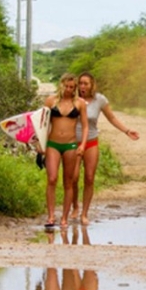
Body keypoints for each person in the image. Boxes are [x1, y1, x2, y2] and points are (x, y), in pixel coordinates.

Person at [71, 72, 139, 225]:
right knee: (73, 177)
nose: (82, 86)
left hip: (91, 141)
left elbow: (112, 117)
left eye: (86, 83)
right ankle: (74, 205)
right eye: (80, 83)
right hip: (73, 142)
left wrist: (127, 131)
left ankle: (84, 213)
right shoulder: (72, 99)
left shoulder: (99, 100)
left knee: (89, 177)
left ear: (92, 85)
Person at [43, 73, 88, 227]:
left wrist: (82, 145)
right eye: (66, 86)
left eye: (72, 87)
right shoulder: (51, 101)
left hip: (70, 144)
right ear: (61, 85)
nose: (69, 89)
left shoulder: (80, 103)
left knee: (68, 182)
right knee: (52, 178)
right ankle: (50, 216)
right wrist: (39, 145)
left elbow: (85, 125)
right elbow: (41, 123)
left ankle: (64, 218)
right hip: (53, 143)